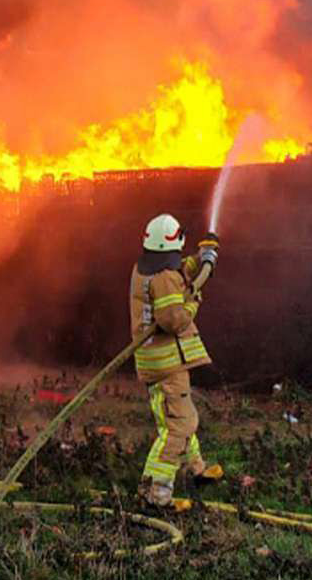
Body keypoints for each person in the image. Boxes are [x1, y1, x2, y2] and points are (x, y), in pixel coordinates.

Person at [129, 213, 223, 507]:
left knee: (178, 415)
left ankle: (196, 468)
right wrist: (194, 299)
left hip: (157, 361)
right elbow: (174, 319)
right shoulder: (164, 278)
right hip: (167, 363)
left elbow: (179, 272)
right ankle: (157, 492)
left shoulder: (147, 270)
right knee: (179, 424)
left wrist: (200, 257)